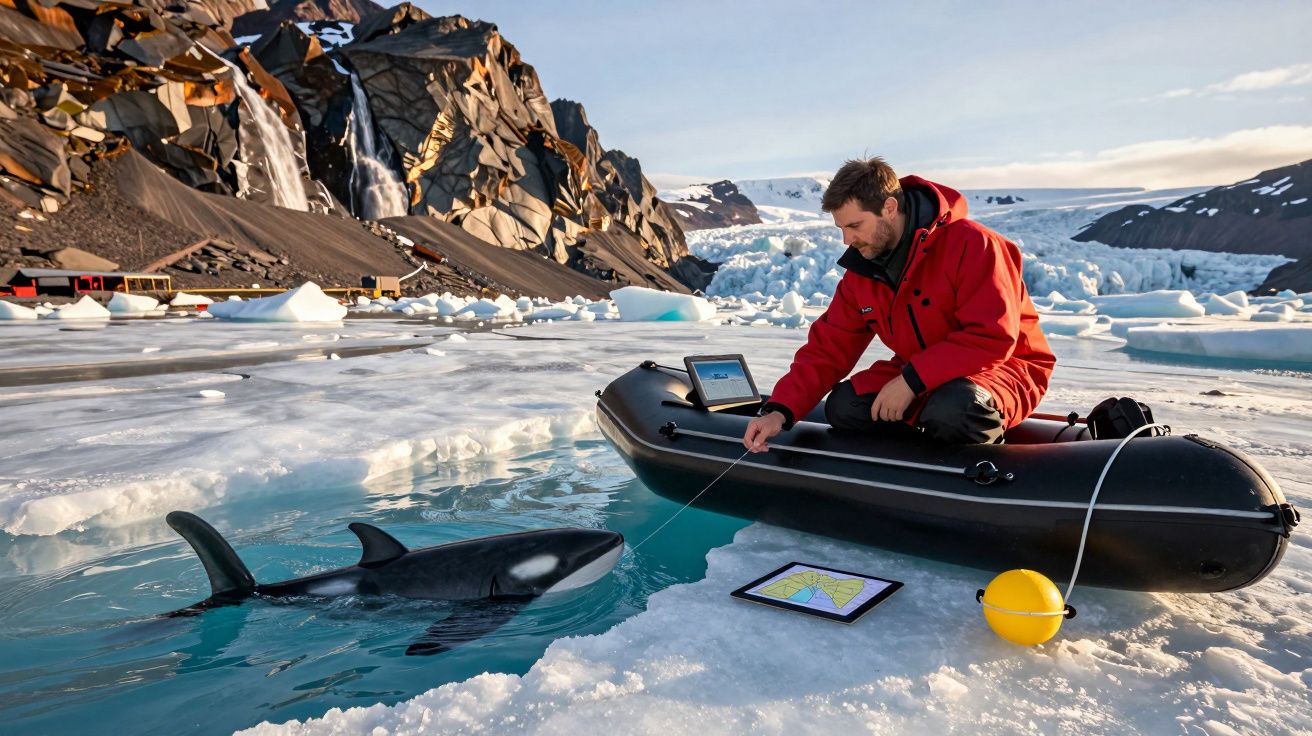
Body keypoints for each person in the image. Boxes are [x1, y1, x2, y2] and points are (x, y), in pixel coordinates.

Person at [742, 157, 1056, 452]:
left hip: (1005, 367)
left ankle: (985, 476)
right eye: (841, 228)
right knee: (843, 406)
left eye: (854, 226)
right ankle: (917, 466)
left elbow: (992, 337)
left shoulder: (972, 243)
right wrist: (779, 411)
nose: (846, 240)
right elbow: (829, 347)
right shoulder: (863, 272)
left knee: (952, 408)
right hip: (923, 372)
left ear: (889, 208)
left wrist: (911, 381)